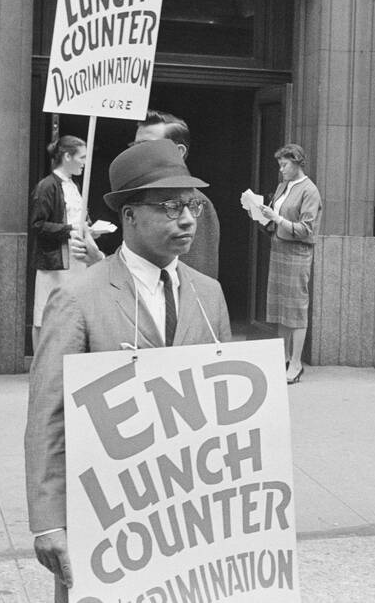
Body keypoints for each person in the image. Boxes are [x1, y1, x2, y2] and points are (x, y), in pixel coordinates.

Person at [25, 139, 232, 602]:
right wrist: (49, 522)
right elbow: (47, 417)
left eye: (191, 204)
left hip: (189, 520)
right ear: (129, 215)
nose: (186, 218)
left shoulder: (209, 293)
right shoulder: (78, 298)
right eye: (169, 206)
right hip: (106, 519)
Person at [257, 143, 321, 384]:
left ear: (297, 163)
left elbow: (306, 229)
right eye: (280, 165)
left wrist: (277, 218)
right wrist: (264, 215)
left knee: (296, 308)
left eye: (285, 164)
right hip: (279, 248)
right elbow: (278, 218)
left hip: (297, 253)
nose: (281, 169)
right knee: (282, 306)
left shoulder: (310, 191)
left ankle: (296, 363)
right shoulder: (283, 185)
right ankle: (283, 358)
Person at [29, 135, 101, 350]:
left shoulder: (73, 185)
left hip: (76, 259)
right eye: (82, 157)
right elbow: (37, 225)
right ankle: (39, 365)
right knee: (44, 313)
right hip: (55, 262)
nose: (84, 162)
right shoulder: (47, 187)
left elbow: (77, 218)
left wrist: (89, 230)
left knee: (73, 310)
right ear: (67, 156)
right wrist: (70, 230)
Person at [133, 110, 219, 278]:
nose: (136, 154)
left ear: (178, 152)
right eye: (135, 146)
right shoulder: (139, 195)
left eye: (147, 145)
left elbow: (196, 276)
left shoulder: (196, 203)